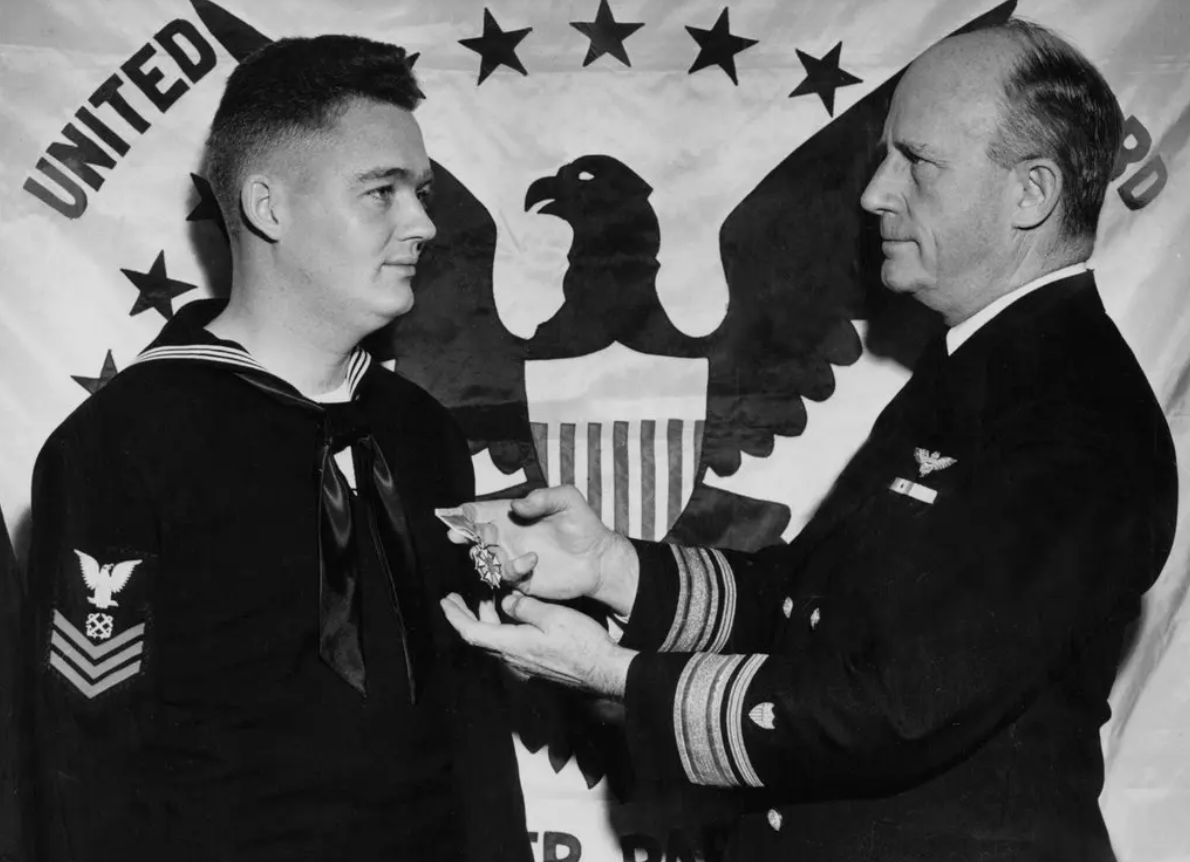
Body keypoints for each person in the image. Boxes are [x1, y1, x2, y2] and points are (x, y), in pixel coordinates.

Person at [441, 19, 1178, 862]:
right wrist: (611, 569)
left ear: (1031, 193)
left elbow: (897, 706)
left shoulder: (1077, 414)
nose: (875, 193)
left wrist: (620, 677)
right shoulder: (976, 370)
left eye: (917, 162)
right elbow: (808, 602)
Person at [20, 35, 529, 862]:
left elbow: (472, 733)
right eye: (382, 191)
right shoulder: (123, 443)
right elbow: (85, 762)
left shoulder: (422, 432)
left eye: (422, 191)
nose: (424, 223)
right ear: (268, 207)